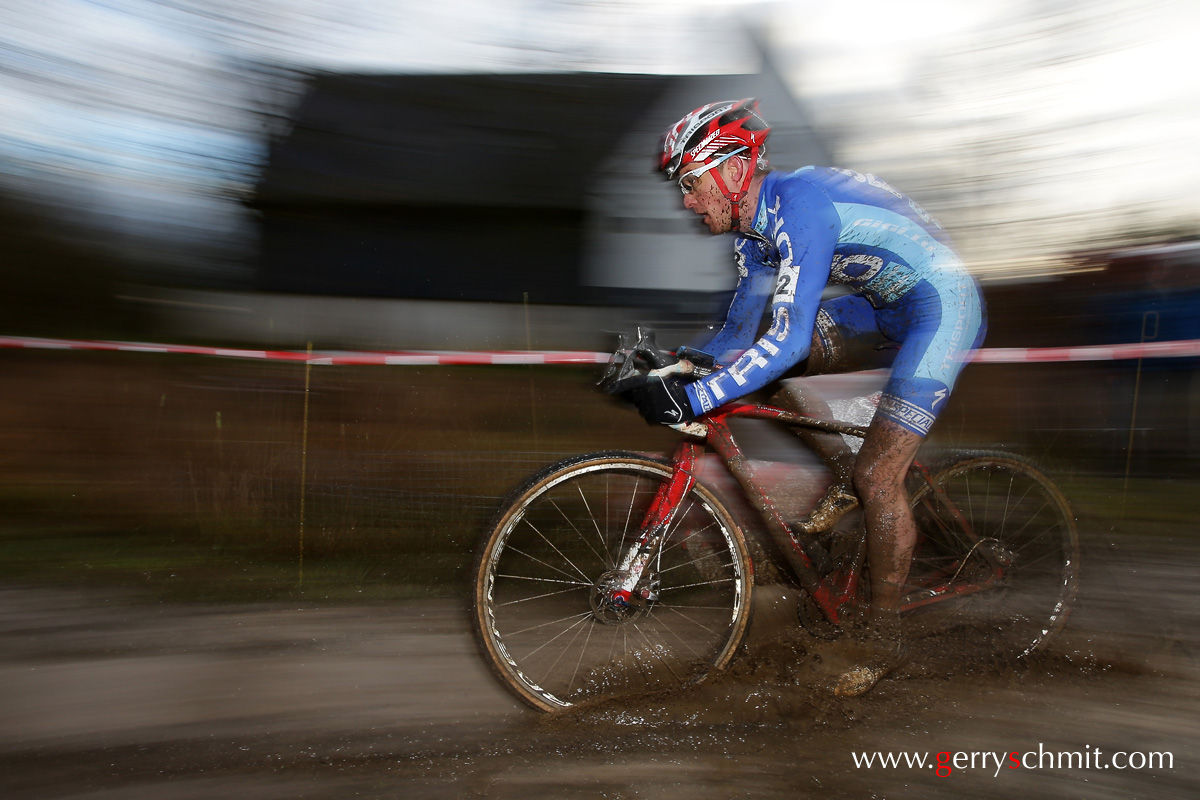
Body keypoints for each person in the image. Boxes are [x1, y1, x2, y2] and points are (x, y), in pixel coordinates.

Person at [618, 97, 987, 697]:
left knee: (879, 480)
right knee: (759, 366)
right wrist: (671, 368)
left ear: (735, 171)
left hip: (942, 306)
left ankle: (881, 639)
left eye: (690, 183)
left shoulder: (799, 208)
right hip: (880, 307)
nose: (685, 201)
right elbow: (739, 338)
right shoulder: (753, 233)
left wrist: (696, 398)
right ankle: (849, 473)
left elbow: (788, 341)